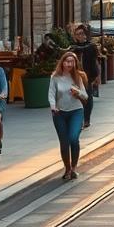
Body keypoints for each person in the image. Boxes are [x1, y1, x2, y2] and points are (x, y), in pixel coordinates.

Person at [48, 51, 89, 180]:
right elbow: (51, 93)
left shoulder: (78, 77)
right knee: (64, 142)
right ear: (62, 62)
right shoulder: (55, 77)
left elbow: (86, 96)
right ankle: (67, 168)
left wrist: (78, 93)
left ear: (75, 63)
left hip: (76, 111)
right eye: (67, 61)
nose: (69, 64)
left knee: (73, 138)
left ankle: (74, 167)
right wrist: (53, 106)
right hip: (59, 113)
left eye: (72, 62)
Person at [71, 25, 100, 128]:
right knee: (77, 98)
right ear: (75, 36)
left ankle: (87, 119)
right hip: (76, 76)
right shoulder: (73, 48)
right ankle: (79, 119)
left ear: (85, 35)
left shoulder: (91, 46)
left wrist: (97, 76)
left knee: (88, 97)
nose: (80, 36)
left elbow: (96, 61)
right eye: (78, 34)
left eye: (82, 34)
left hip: (89, 76)